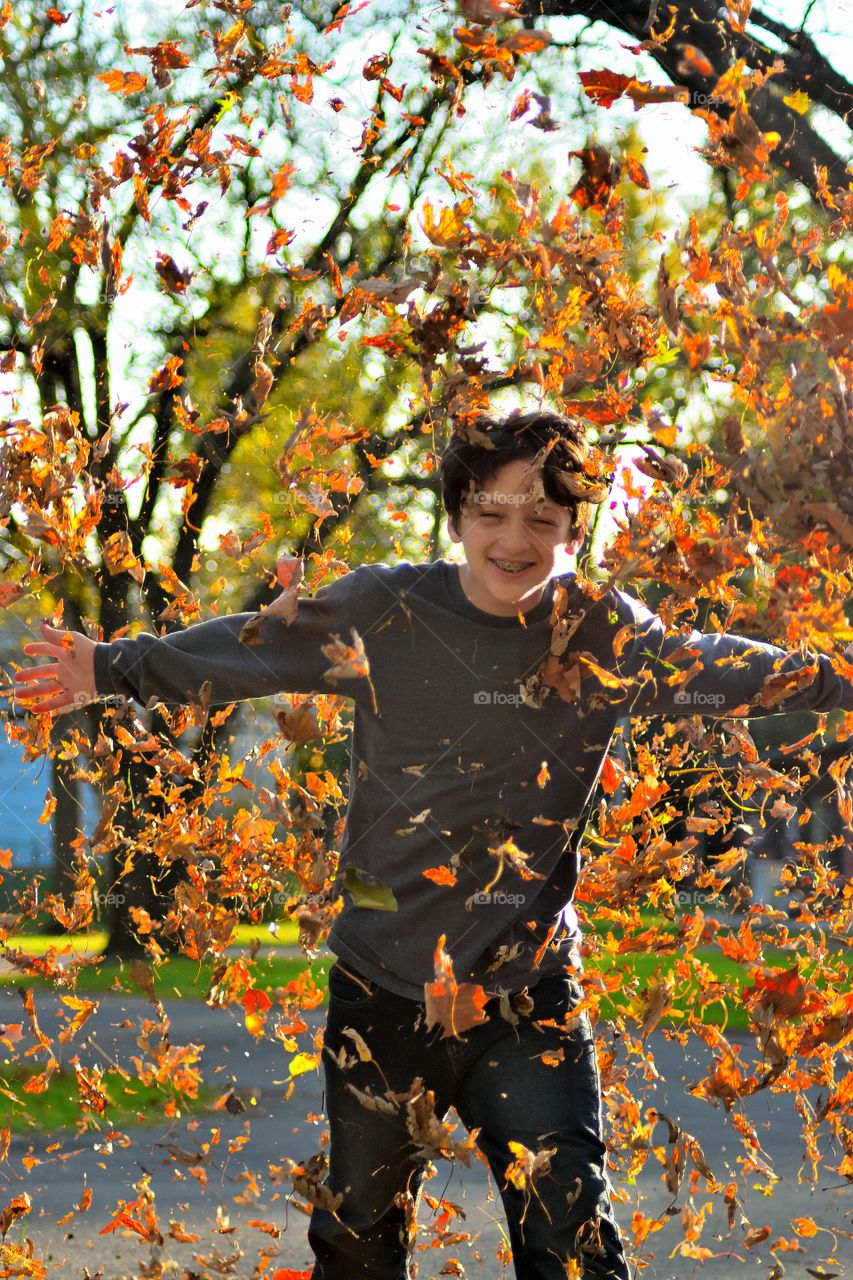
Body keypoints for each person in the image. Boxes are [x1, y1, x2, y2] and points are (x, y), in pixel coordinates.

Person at [11, 409, 853, 1279]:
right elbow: (250, 648)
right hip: (382, 992)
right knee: (358, 1238)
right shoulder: (388, 609)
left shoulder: (604, 632)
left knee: (571, 1239)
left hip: (527, 996)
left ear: (573, 530)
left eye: (542, 519)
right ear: (455, 516)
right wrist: (111, 666)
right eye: (491, 512)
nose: (514, 538)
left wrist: (839, 678)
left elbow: (716, 665)